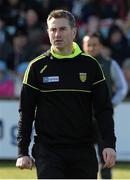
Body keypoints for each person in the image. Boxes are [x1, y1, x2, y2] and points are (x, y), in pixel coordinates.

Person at [16, 9, 116, 179]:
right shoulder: (36, 67)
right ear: (48, 32)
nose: (57, 34)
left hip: (83, 150)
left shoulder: (91, 66)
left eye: (62, 29)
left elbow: (103, 109)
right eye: (52, 30)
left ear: (74, 32)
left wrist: (109, 144)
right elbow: (26, 112)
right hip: (48, 150)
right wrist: (22, 152)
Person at [82, 32, 128, 179]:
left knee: (106, 156)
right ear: (83, 46)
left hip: (103, 118)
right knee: (82, 157)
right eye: (88, 45)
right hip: (81, 118)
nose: (91, 47)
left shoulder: (110, 64)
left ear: (100, 46)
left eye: (94, 44)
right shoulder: (75, 65)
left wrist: (112, 104)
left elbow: (122, 87)